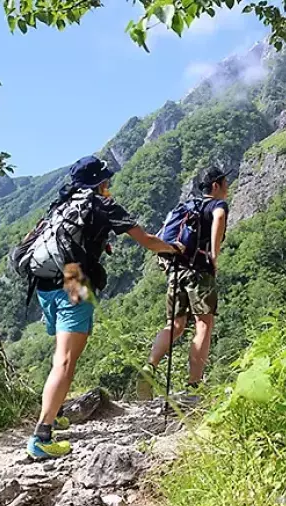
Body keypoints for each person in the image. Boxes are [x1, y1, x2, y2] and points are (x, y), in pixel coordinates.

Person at [27, 155, 180, 460]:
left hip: (44, 280)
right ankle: (41, 437)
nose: (109, 186)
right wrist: (175, 249)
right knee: (66, 360)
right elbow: (148, 241)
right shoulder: (100, 205)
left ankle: (54, 413)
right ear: (101, 183)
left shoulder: (62, 205)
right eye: (106, 181)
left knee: (62, 352)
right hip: (74, 279)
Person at [139, 166, 230, 398]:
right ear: (216, 186)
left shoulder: (190, 207)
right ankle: (194, 384)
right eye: (225, 182)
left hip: (176, 270)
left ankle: (150, 366)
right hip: (199, 271)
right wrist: (214, 255)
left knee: (176, 325)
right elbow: (219, 218)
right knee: (203, 324)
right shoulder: (216, 205)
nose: (228, 186)